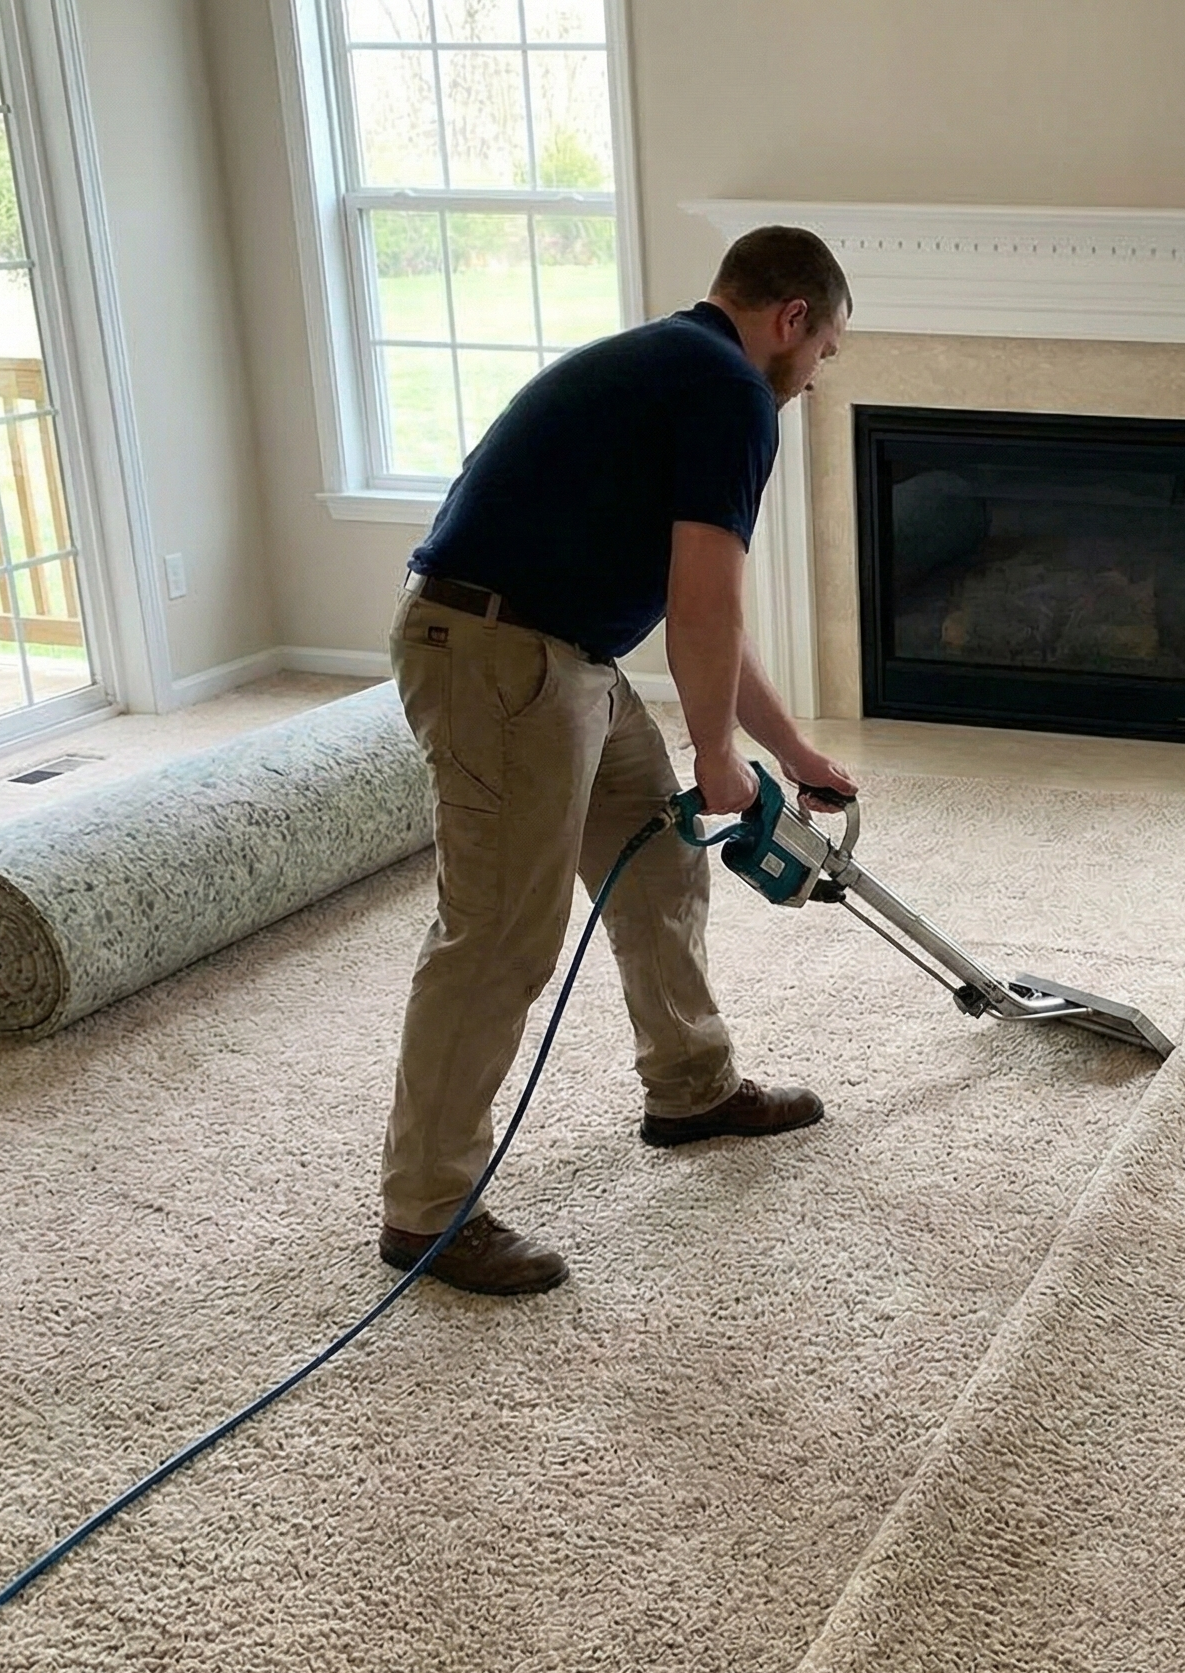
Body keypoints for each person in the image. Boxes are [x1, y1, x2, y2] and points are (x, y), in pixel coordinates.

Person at [377, 226, 859, 1295]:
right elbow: (703, 599)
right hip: (501, 655)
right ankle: (427, 1208)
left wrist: (789, 749)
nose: (816, 377)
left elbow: (708, 619)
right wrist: (718, 754)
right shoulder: (729, 392)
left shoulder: (676, 367)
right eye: (824, 351)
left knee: (656, 863)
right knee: (499, 927)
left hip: (564, 655)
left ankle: (689, 1085)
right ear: (789, 320)